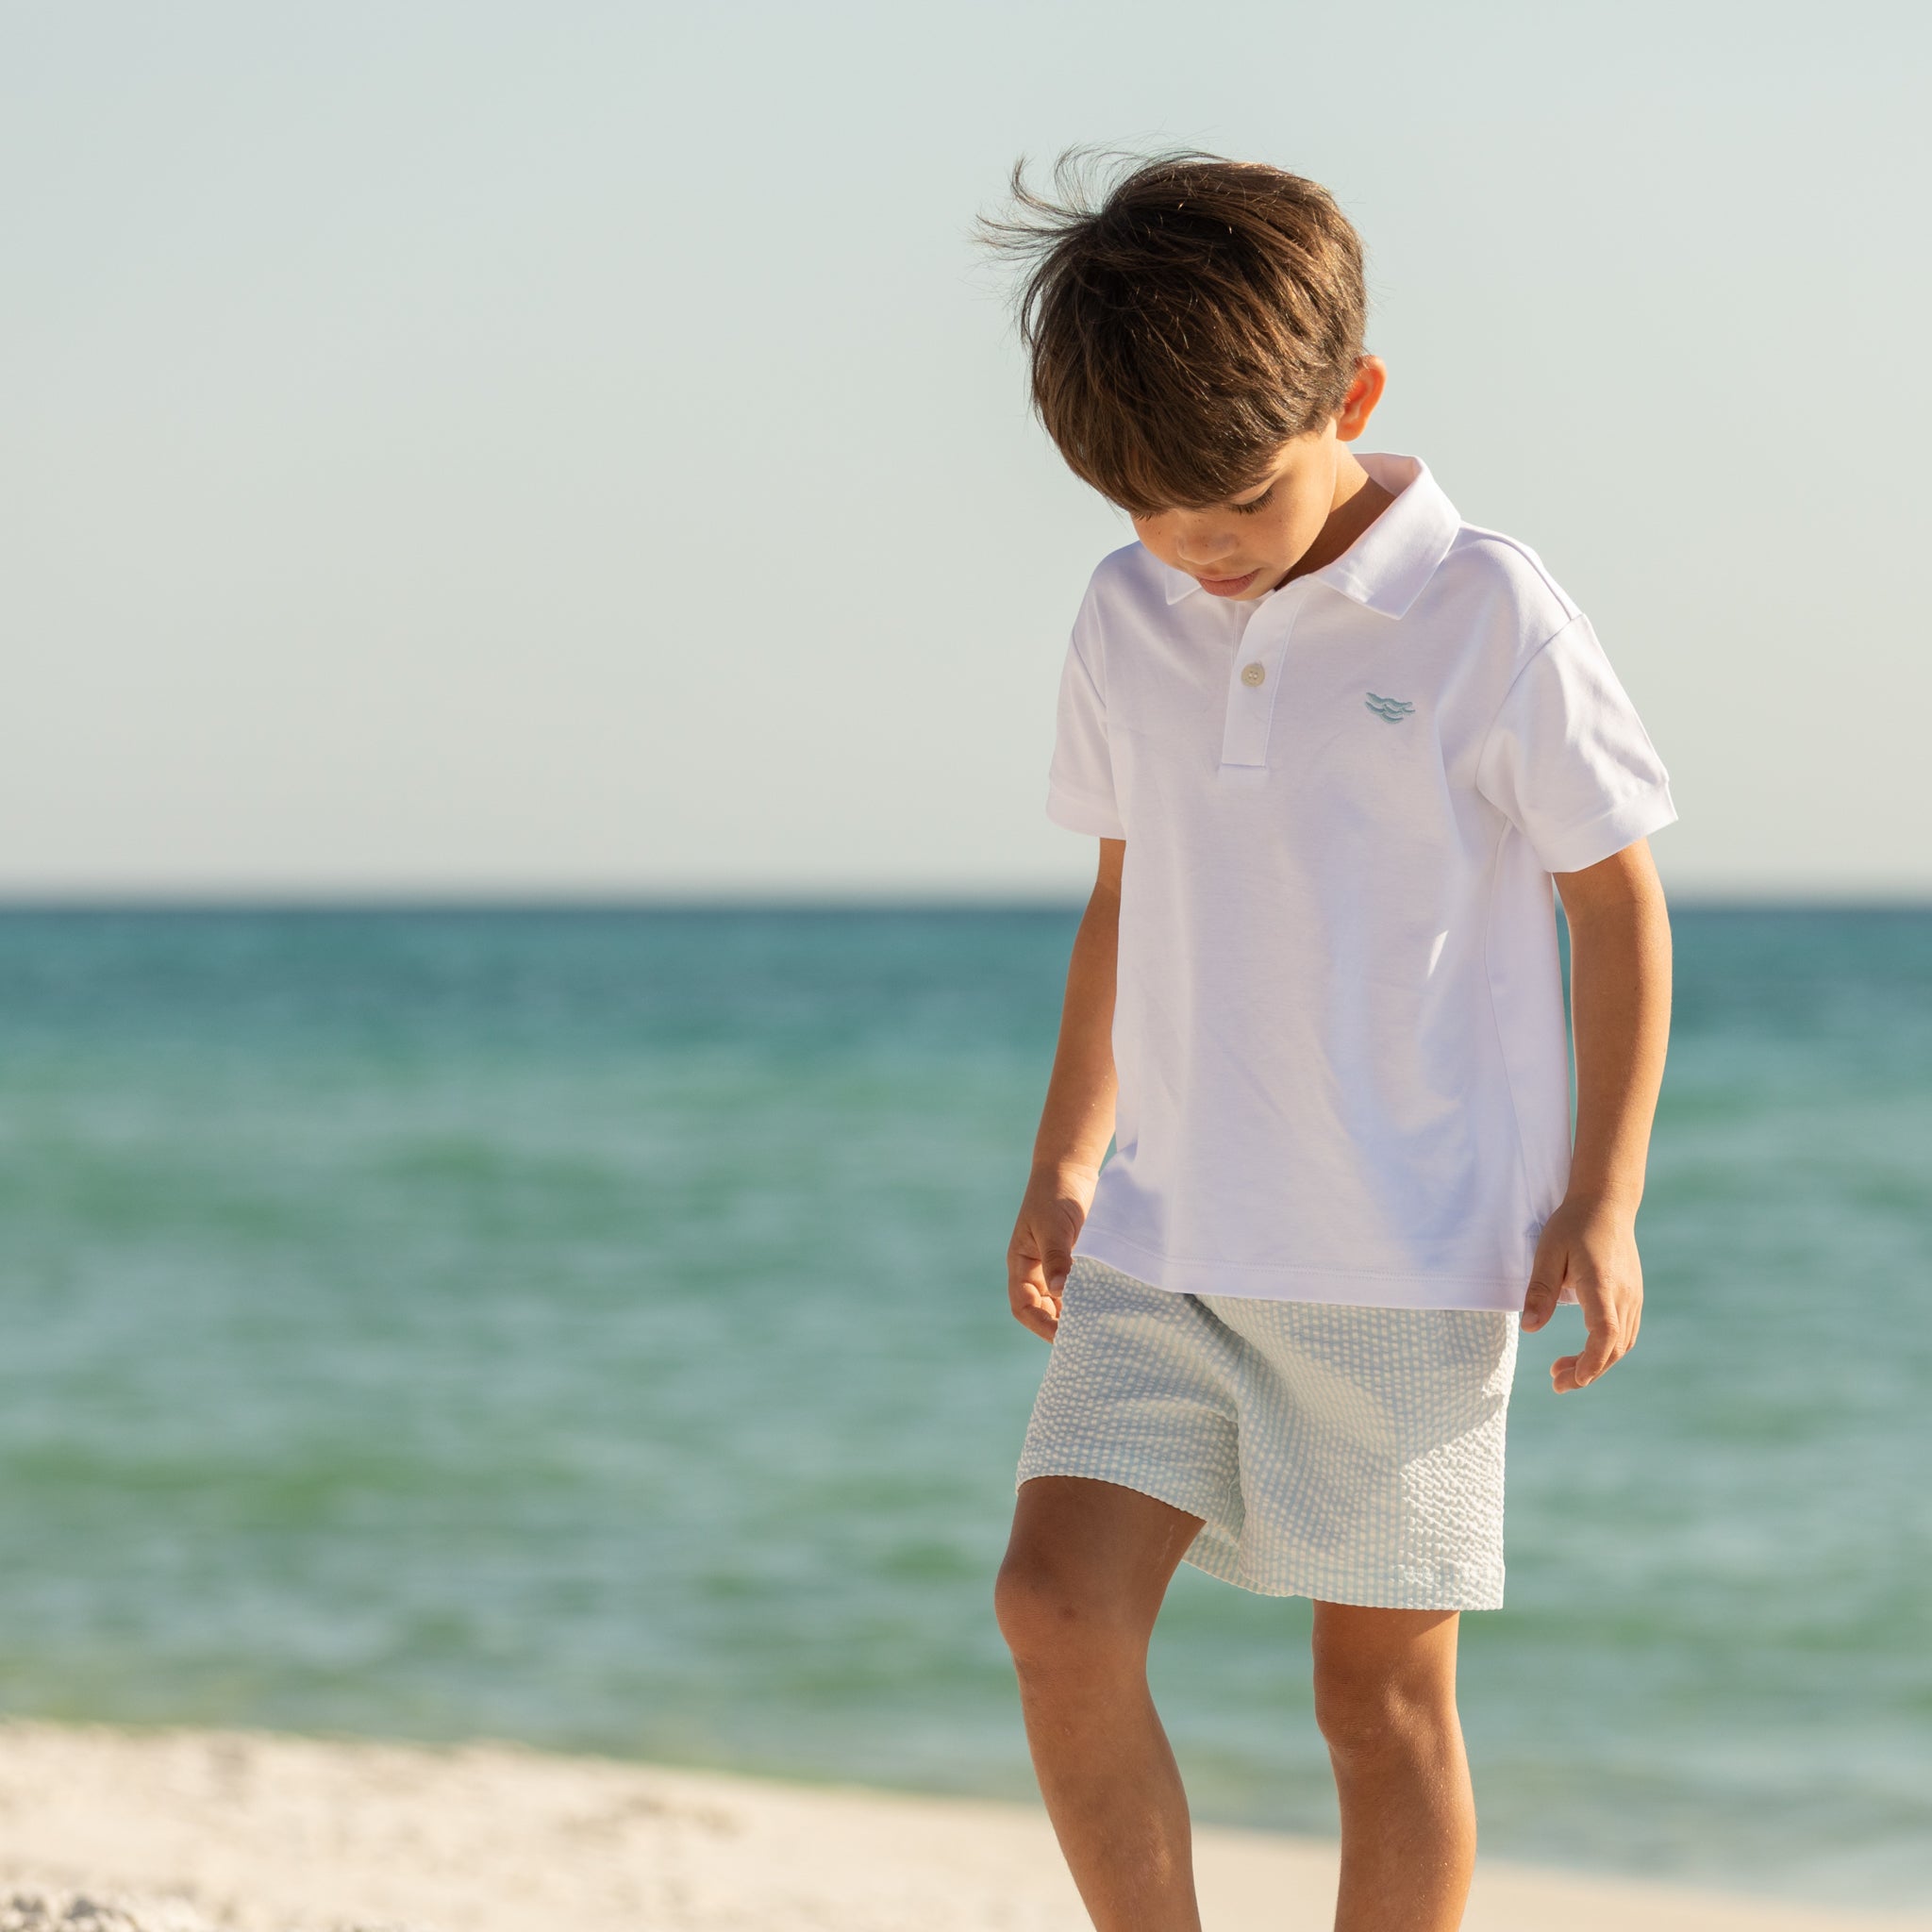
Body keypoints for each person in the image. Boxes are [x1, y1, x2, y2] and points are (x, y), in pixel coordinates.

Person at [981, 151, 1678, 1932]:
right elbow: (1127, 891)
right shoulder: (1126, 612)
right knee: (1053, 1610)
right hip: (1167, 1239)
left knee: (1377, 1708)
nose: (1196, 549)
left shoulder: (1488, 612)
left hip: (1408, 1259)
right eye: (1148, 511)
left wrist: (1601, 1197)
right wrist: (1067, 1154)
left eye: (1234, 501)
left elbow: (1617, 904)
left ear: (1350, 401)